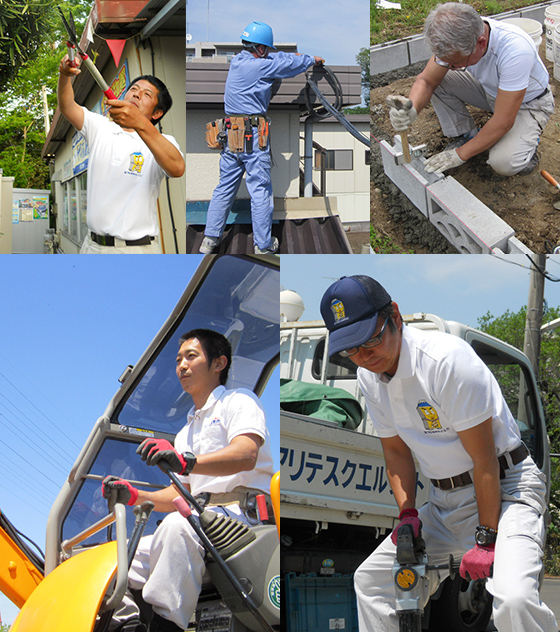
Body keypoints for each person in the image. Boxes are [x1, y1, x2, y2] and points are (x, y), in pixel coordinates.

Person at [319, 275, 557, 632]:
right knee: (371, 583)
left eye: (370, 340)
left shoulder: (446, 361)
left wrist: (486, 540)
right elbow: (397, 453)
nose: (364, 357)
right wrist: (408, 514)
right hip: (445, 504)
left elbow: (484, 461)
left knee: (514, 599)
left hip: (506, 492)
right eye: (350, 349)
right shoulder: (370, 377)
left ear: (394, 316)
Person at [102, 328, 274, 632]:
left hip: (242, 518)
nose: (181, 365)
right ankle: (127, 625)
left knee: (177, 527)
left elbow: (246, 453)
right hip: (201, 518)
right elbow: (183, 491)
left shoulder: (239, 401)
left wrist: (187, 461)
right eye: (178, 359)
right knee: (112, 560)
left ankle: (166, 628)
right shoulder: (185, 433)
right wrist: (134, 495)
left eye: (191, 356)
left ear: (219, 363)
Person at [199, 21, 324, 255]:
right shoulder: (260, 66)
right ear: (260, 48)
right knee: (260, 191)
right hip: (253, 135)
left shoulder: (236, 61)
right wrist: (310, 59)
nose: (267, 53)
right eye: (267, 49)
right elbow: (287, 65)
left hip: (231, 135)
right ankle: (264, 245)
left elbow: (277, 61)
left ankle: (209, 240)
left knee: (224, 189)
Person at [386, 2, 554, 176]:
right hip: (491, 91)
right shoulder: (458, 32)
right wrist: (412, 109)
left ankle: (527, 147)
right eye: (446, 62)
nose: (450, 67)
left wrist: (459, 155)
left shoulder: (515, 51)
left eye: (457, 63)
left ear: (481, 43)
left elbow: (503, 121)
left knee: (504, 162)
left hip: (527, 103)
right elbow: (427, 81)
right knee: (439, 81)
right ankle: (466, 136)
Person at [58, 55, 185, 254]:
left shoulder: (163, 141)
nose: (136, 95)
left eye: (146, 95)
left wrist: (140, 123)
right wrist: (64, 75)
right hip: (91, 246)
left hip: (136, 250)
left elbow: (177, 168)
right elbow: (67, 106)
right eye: (133, 89)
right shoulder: (100, 127)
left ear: (156, 113)